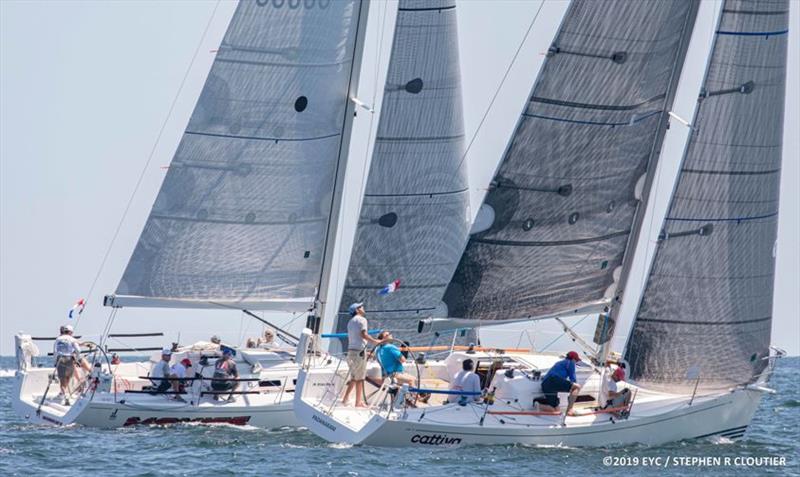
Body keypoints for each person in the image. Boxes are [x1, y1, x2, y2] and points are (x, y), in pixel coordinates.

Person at [342, 302, 382, 407]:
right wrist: (375, 341)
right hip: (359, 353)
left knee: (354, 377)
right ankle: (358, 402)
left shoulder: (350, 322)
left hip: (351, 352)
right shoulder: (362, 320)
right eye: (361, 307)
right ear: (357, 310)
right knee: (360, 378)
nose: (363, 308)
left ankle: (345, 398)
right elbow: (363, 334)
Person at [53, 324, 90, 405]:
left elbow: (55, 351)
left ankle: (63, 396)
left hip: (60, 359)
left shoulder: (58, 339)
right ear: (70, 332)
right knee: (68, 377)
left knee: (63, 380)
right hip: (70, 359)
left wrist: (55, 362)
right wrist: (76, 359)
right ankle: (64, 395)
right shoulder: (72, 339)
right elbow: (78, 350)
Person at [536, 351, 582, 415]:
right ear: (573, 359)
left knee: (555, 410)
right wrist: (573, 391)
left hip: (545, 384)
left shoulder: (559, 363)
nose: (576, 362)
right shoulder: (570, 362)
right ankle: (570, 410)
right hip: (553, 380)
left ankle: (538, 406)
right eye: (576, 360)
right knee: (577, 387)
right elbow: (573, 378)